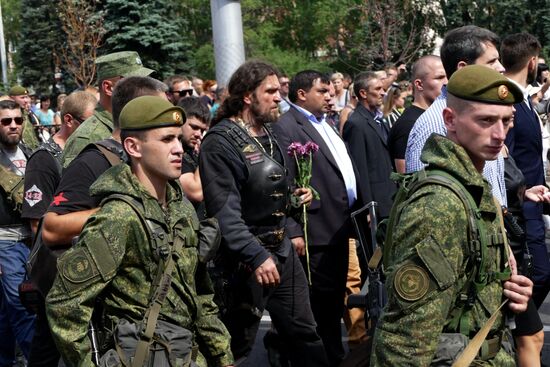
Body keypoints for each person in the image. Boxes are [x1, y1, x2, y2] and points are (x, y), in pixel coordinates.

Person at [46, 96, 234, 366]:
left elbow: (200, 294)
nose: (178, 149)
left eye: (178, 139)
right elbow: (65, 305)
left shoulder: (180, 208)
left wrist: (221, 355)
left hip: (185, 355)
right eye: (166, 140)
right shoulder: (118, 217)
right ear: (133, 147)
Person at [371, 65, 533, 366]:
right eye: (486, 121)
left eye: (506, 121)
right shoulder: (439, 205)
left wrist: (506, 293)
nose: (499, 134)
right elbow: (404, 342)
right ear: (450, 120)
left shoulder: (472, 187)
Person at [200, 61, 328, 366]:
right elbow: (224, 214)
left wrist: (298, 203)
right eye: (270, 91)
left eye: (278, 90)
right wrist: (255, 256)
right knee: (231, 347)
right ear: (247, 96)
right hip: (241, 265)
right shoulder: (220, 143)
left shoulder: (270, 134)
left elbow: (278, 190)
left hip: (283, 254)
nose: (278, 98)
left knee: (305, 336)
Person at [273, 69, 358, 367]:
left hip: (340, 224)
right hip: (316, 231)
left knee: (334, 299)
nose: (330, 95)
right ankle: (325, 358)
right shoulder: (287, 127)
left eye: (330, 90)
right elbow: (286, 183)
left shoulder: (326, 122)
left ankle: (331, 353)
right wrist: (294, 228)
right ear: (301, 94)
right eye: (323, 91)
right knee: (320, 304)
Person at [405, 25, 507, 208]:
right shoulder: (433, 124)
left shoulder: (483, 113)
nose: (501, 68)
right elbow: (425, 204)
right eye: (491, 62)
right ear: (463, 69)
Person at [60, 51, 154, 167]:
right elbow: (77, 182)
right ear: (109, 88)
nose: (144, 89)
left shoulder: (133, 123)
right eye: (134, 83)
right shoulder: (87, 138)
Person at [0, 99, 34, 365]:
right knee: (22, 308)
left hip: (33, 241)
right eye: (6, 121)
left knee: (6, 315)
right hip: (6, 245)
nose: (13, 126)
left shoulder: (30, 151)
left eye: (17, 120)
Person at [344, 71, 395, 219]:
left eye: (383, 89)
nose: (383, 93)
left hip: (390, 198)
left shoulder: (379, 119)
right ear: (363, 93)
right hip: (376, 205)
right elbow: (360, 169)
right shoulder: (356, 124)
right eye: (377, 89)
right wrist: (368, 207)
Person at [388, 55, 447, 173]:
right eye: (439, 77)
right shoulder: (409, 124)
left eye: (447, 76)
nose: (446, 82)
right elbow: (407, 179)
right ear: (419, 84)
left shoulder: (436, 117)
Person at [177, 96, 210, 208]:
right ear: (180, 121)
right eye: (194, 127)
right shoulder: (175, 153)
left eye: (202, 130)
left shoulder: (192, 152)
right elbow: (195, 193)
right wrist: (205, 154)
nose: (198, 134)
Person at [8, 85, 40, 149]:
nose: (26, 100)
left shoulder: (27, 113)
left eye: (26, 97)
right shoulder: (8, 115)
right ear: (12, 99)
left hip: (32, 150)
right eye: (22, 98)